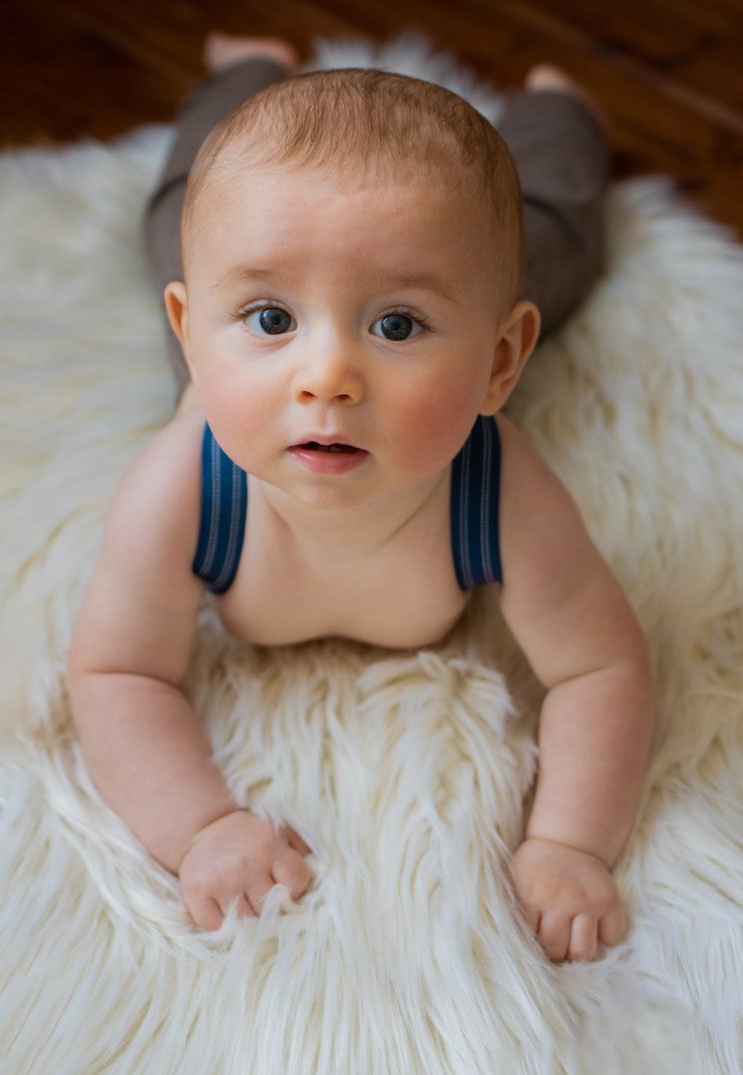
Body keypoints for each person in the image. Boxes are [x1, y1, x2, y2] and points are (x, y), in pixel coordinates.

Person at [67, 34, 654, 964]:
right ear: (199, 330)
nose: (326, 376)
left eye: (396, 324)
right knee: (178, 219)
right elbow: (115, 673)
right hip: (224, 405)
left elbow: (600, 669)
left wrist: (570, 842)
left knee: (548, 243)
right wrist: (199, 827)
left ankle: (559, 115)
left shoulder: (497, 487)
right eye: (271, 319)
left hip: (470, 303)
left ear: (501, 363)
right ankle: (245, 70)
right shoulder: (185, 486)